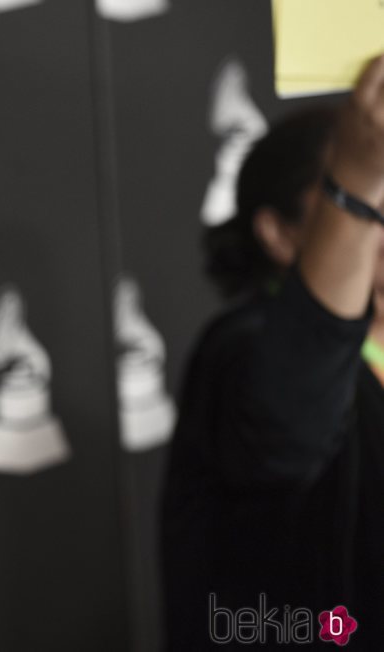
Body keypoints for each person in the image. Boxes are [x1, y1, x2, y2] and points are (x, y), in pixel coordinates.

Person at [161, 57, 384, 650]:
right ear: (280, 233)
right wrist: (357, 182)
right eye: (367, 202)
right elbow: (289, 430)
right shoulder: (244, 349)